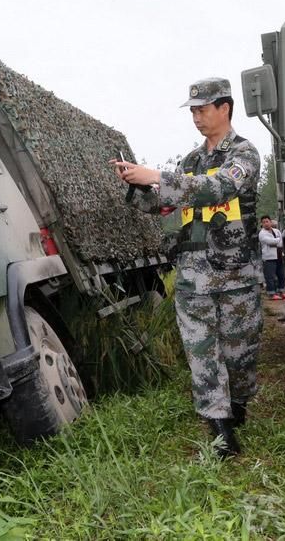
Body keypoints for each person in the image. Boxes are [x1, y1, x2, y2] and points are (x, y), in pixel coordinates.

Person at [111, 77, 262, 458]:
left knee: (239, 352)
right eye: (192, 109)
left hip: (235, 272)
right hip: (194, 271)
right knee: (201, 351)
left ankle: (237, 404)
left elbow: (218, 189)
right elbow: (165, 206)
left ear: (224, 107)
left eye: (202, 108)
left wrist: (158, 177)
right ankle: (220, 431)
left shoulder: (243, 155)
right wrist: (136, 186)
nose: (196, 116)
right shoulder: (190, 162)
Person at [259, 215, 285, 300]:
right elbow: (269, 241)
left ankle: (281, 291)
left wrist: (276, 241)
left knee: (281, 275)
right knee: (270, 276)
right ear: (262, 224)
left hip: (278, 256)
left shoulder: (276, 231)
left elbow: (280, 243)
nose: (266, 224)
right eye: (263, 222)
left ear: (270, 222)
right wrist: (277, 240)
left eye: (267, 221)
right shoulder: (262, 233)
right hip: (269, 257)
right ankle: (271, 293)